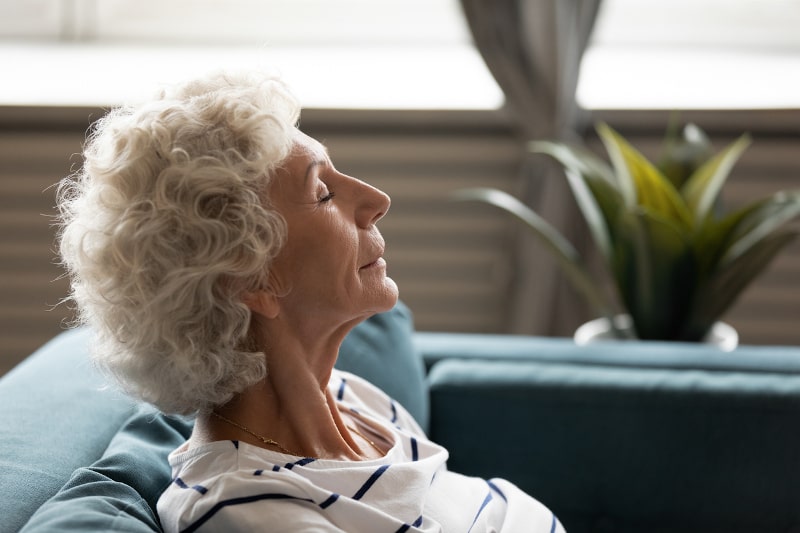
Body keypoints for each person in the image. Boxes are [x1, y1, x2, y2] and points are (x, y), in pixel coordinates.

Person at [57, 70, 564, 532]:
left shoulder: (354, 399)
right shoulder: (252, 511)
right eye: (324, 193)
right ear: (254, 278)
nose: (376, 200)